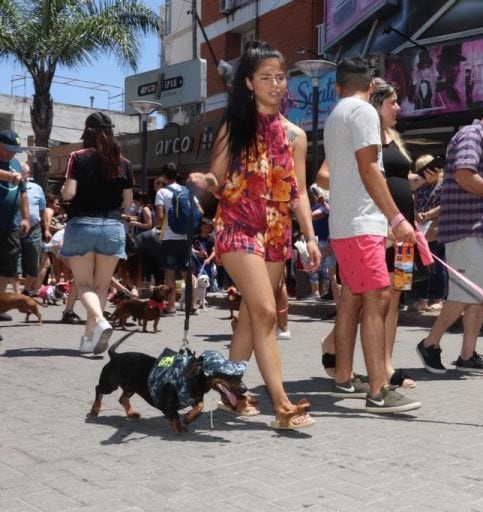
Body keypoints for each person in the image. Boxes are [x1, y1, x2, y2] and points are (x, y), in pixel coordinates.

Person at [187, 40, 320, 429]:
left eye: (281, 77)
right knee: (265, 312)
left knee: (250, 317)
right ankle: (282, 405)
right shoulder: (235, 127)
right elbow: (217, 176)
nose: (276, 85)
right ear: (248, 82)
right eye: (266, 78)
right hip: (237, 226)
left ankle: (227, 387)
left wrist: (309, 237)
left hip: (278, 232)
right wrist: (205, 181)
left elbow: (297, 194)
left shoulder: (296, 136)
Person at [324, 56, 421, 413]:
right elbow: (369, 170)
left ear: (337, 86)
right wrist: (396, 219)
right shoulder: (364, 112)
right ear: (370, 86)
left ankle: (344, 376)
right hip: (362, 225)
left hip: (347, 225)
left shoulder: (336, 113)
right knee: (379, 299)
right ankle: (379, 390)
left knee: (351, 300)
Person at [415, 99, 483, 374]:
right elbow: (464, 175)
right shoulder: (471, 135)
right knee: (467, 292)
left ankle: (467, 355)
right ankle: (430, 343)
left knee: (480, 294)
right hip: (466, 230)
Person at [60, 112, 133, 353]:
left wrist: (63, 190)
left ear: (87, 130)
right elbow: (127, 201)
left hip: (81, 223)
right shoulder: (124, 163)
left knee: (83, 284)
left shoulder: (77, 157)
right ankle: (89, 339)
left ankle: (101, 322)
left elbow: (69, 193)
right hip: (112, 226)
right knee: (101, 286)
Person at [369, 77, 420, 390]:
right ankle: (381, 366)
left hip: (403, 231)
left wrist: (415, 181)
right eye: (392, 102)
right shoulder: (367, 137)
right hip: (382, 228)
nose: (399, 107)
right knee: (377, 299)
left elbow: (398, 179)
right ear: (376, 105)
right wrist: (385, 222)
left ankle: (385, 363)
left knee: (395, 296)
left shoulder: (393, 137)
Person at [155, 162, 200, 315]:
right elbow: (199, 211)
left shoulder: (162, 192)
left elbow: (160, 216)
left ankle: (171, 306)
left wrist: (159, 227)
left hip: (169, 237)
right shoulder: (187, 191)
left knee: (169, 272)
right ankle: (192, 305)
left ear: (163, 176)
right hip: (186, 237)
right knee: (187, 272)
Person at [0, 130, 29, 324]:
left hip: (10, 226)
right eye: (8, 149)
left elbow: (23, 192)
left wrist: (26, 217)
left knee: (6, 268)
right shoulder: (12, 171)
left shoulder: (17, 164)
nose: (12, 154)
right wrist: (9, 176)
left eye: (14, 150)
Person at [413, 154, 446, 313]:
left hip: (437, 229)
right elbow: (415, 204)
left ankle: (438, 298)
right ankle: (422, 299)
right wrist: (417, 215)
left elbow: (445, 205)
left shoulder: (445, 185)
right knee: (422, 265)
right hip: (421, 231)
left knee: (437, 265)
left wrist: (427, 215)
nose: (422, 174)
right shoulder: (420, 187)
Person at [16, 162, 47, 295]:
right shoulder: (10, 187)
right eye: (21, 171)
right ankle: (16, 292)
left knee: (34, 261)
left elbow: (42, 210)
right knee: (14, 260)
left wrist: (45, 229)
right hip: (13, 229)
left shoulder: (37, 188)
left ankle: (27, 289)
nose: (23, 174)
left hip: (34, 229)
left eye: (25, 172)